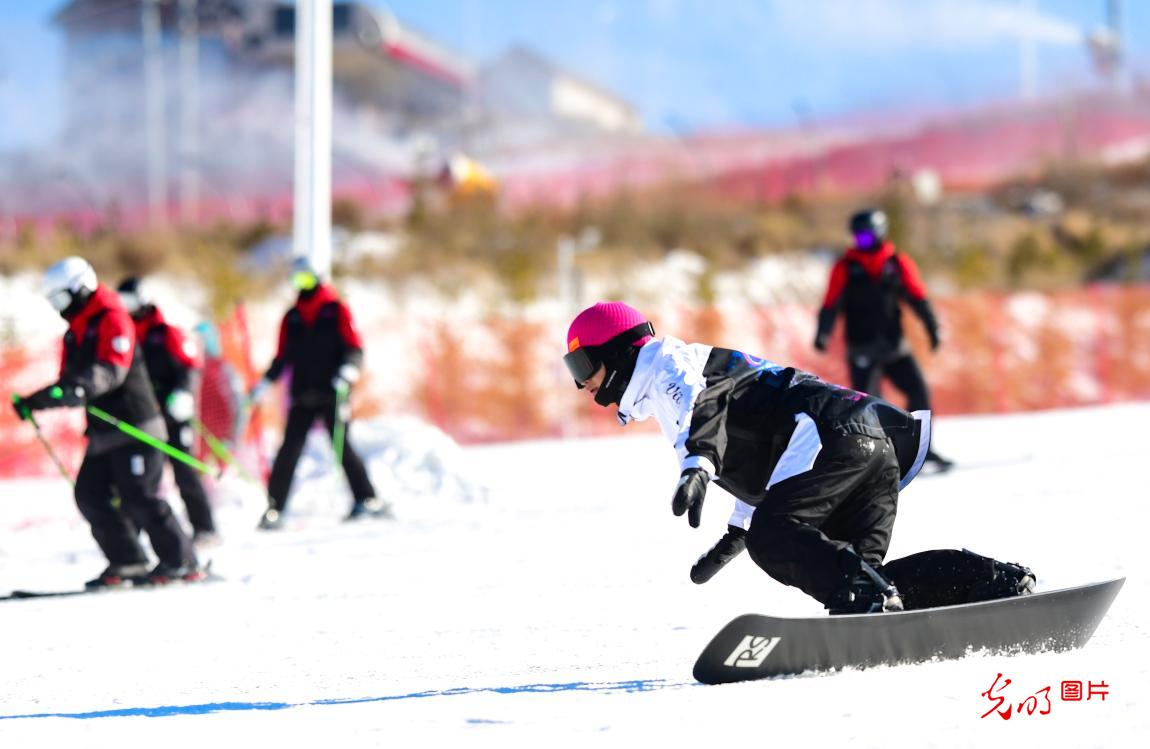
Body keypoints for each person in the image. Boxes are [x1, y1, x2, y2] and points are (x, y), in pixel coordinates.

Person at [563, 301, 1034, 614]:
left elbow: (700, 405)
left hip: (833, 439)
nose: (581, 383)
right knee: (863, 576)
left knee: (782, 540)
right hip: (869, 446)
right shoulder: (680, 373)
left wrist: (697, 464)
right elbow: (763, 455)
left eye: (582, 366)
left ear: (619, 352)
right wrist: (735, 536)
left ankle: (868, 598)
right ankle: (991, 582)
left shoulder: (670, 365)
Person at [12, 257, 202, 587]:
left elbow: (111, 370)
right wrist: (38, 400)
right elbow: (68, 382)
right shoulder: (75, 333)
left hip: (135, 425)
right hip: (104, 432)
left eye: (61, 299)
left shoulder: (113, 318)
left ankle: (181, 561)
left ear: (79, 289)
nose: (59, 308)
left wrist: (77, 388)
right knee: (90, 493)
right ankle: (128, 560)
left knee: (140, 496)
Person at [247, 256, 385, 529]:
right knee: (289, 450)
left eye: (306, 279)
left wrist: (348, 371)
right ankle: (275, 508)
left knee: (341, 446)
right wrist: (265, 383)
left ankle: (366, 499)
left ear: (318, 278)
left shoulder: (335, 310)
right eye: (297, 280)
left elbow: (354, 348)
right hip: (302, 394)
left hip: (332, 391)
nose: (302, 285)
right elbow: (282, 357)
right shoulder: (293, 317)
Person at [814, 209, 953, 471]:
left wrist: (932, 328)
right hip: (861, 348)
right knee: (870, 404)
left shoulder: (897, 263)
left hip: (894, 347)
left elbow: (917, 297)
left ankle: (923, 449)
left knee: (919, 393)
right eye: (858, 237)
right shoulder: (845, 267)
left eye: (866, 237)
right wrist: (823, 333)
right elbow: (830, 304)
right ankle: (881, 458)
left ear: (880, 232)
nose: (861, 242)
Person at [117, 276, 219, 547]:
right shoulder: (128, 332)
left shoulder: (165, 331)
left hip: (174, 413)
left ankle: (205, 527)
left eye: (130, 300)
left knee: (184, 471)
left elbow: (189, 365)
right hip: (147, 416)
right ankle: (134, 536)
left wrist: (184, 394)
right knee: (143, 479)